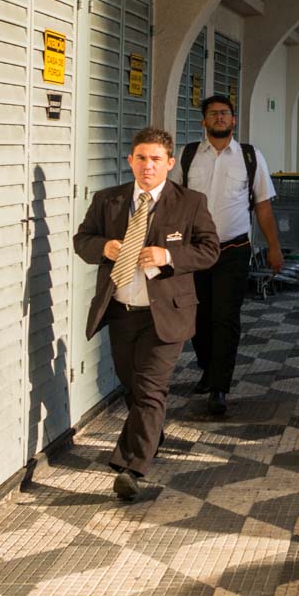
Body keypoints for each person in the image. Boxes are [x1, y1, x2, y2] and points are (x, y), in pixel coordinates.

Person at [74, 128, 221, 501]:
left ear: (170, 163)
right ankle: (151, 434)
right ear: (130, 161)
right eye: (141, 158)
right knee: (133, 386)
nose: (147, 166)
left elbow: (209, 251)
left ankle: (131, 467)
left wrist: (168, 256)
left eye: (156, 159)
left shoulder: (190, 202)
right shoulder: (108, 200)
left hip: (166, 315)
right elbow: (82, 240)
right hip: (121, 311)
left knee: (151, 389)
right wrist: (103, 247)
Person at [176, 94, 282, 418]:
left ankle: (219, 387)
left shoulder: (250, 157)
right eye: (213, 114)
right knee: (197, 318)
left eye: (224, 113)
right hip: (195, 251)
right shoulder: (189, 155)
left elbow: (263, 205)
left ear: (234, 120)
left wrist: (274, 247)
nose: (219, 118)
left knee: (225, 317)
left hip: (234, 249)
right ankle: (209, 368)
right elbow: (173, 202)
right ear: (204, 122)